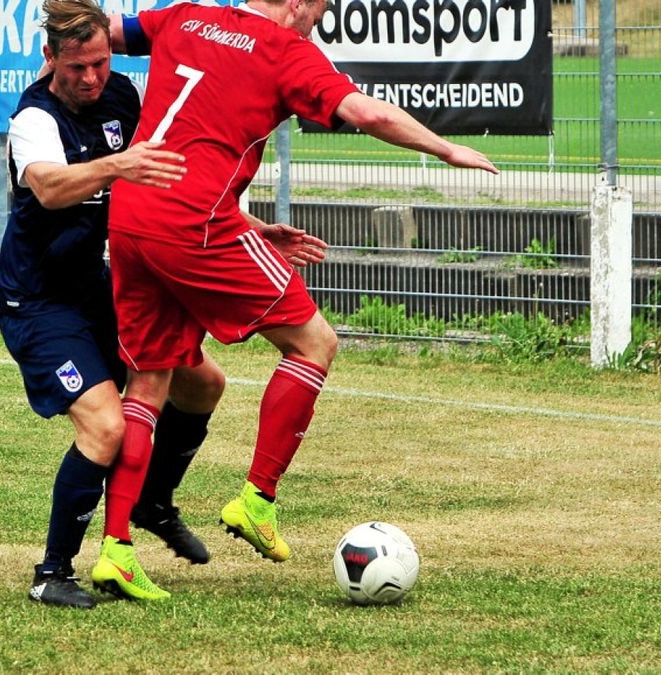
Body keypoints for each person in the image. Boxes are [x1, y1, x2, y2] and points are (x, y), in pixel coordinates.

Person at [105, 0, 499, 566]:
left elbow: (104, 32)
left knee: (149, 384)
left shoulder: (183, 15)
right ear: (296, 4)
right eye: (319, 9)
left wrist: (54, 61)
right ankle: (257, 501)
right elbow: (368, 114)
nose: (319, 20)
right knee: (314, 343)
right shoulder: (285, 51)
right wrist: (444, 147)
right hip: (197, 222)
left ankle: (115, 548)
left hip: (131, 211)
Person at [0, 0, 329, 608]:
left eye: (100, 63)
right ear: (49, 60)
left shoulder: (121, 97)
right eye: (76, 68)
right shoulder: (34, 118)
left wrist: (250, 226)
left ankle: (150, 502)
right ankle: (53, 573)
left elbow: (172, 179)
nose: (91, 78)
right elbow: (47, 187)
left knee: (201, 386)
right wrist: (118, 165)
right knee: (105, 425)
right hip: (40, 301)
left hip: (101, 288)